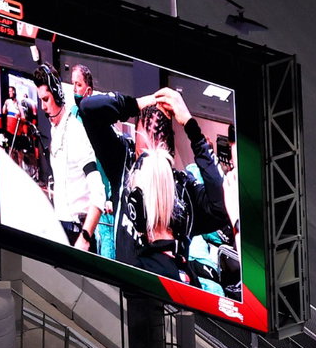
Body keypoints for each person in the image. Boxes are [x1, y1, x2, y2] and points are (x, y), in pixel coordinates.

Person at [79, 86, 227, 277]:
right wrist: (140, 102)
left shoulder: (184, 190)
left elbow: (222, 207)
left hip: (172, 298)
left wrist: (192, 127)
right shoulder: (124, 163)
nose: (147, 164)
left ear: (168, 152)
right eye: (142, 155)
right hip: (127, 293)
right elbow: (88, 108)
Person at [35, 63, 107, 253]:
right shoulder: (55, 128)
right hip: (62, 228)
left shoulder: (75, 131)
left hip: (78, 232)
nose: (43, 107)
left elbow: (98, 193)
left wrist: (84, 237)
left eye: (46, 99)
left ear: (58, 95)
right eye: (40, 100)